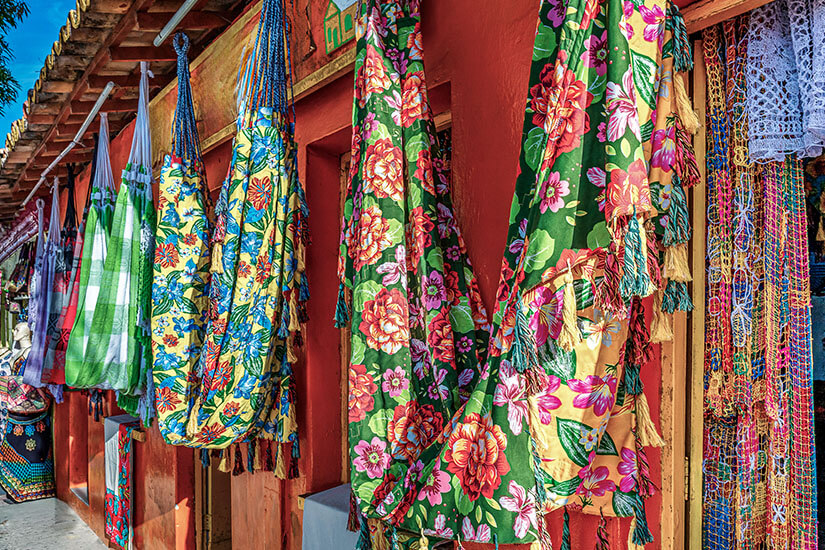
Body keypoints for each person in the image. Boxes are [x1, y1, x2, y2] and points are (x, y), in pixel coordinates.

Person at [0, 322, 55, 502]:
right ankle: (18, 489)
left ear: (27, 333)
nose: (14, 332)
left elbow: (37, 382)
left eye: (18, 329)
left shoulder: (32, 354)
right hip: (20, 411)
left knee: (33, 451)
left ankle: (30, 490)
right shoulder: (21, 354)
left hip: (30, 411)